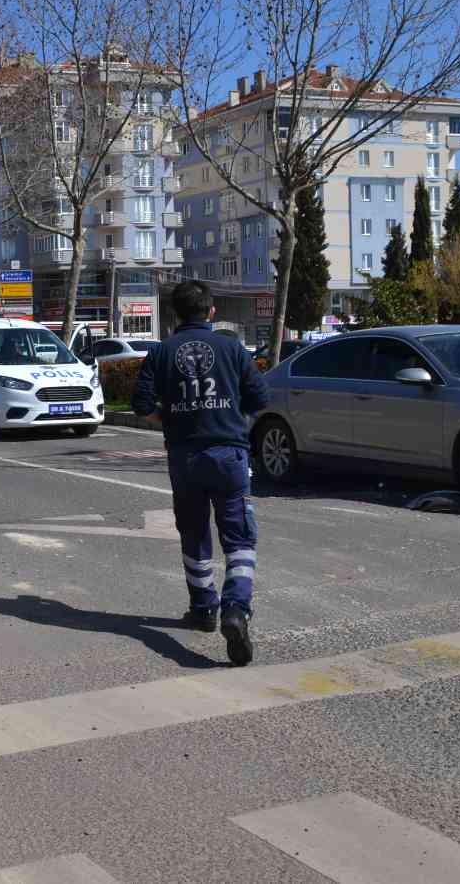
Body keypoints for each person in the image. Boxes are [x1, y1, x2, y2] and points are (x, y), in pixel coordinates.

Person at [131, 280, 269, 666]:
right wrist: (229, 419)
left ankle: (204, 609)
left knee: (193, 532)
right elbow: (260, 398)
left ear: (176, 315)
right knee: (239, 537)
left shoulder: (161, 352)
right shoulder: (231, 348)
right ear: (211, 312)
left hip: (184, 457)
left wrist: (171, 420)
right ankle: (236, 609)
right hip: (229, 455)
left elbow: (142, 403)